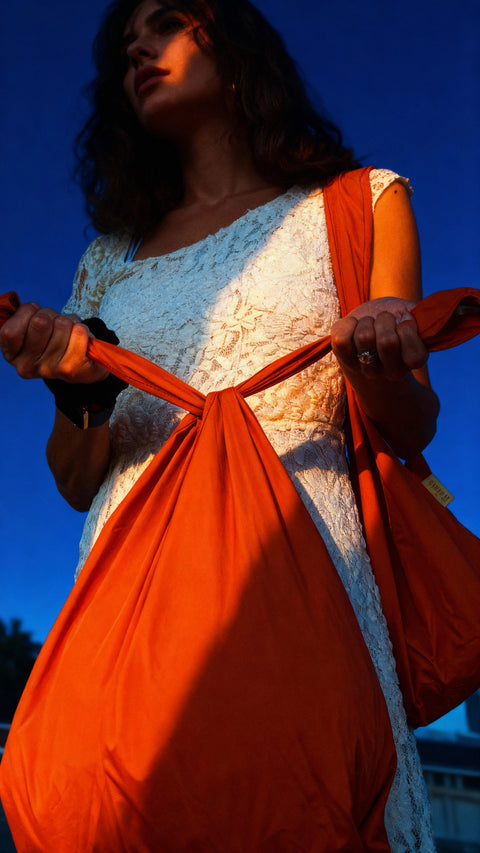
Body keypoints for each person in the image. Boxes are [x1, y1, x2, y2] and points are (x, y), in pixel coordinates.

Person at [0, 0, 440, 849]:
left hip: (304, 590)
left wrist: (374, 361)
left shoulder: (360, 205)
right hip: (134, 610)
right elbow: (74, 478)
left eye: (165, 23)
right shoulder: (108, 257)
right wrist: (77, 387)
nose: (137, 46)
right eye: (126, 41)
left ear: (236, 52)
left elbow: (412, 422)